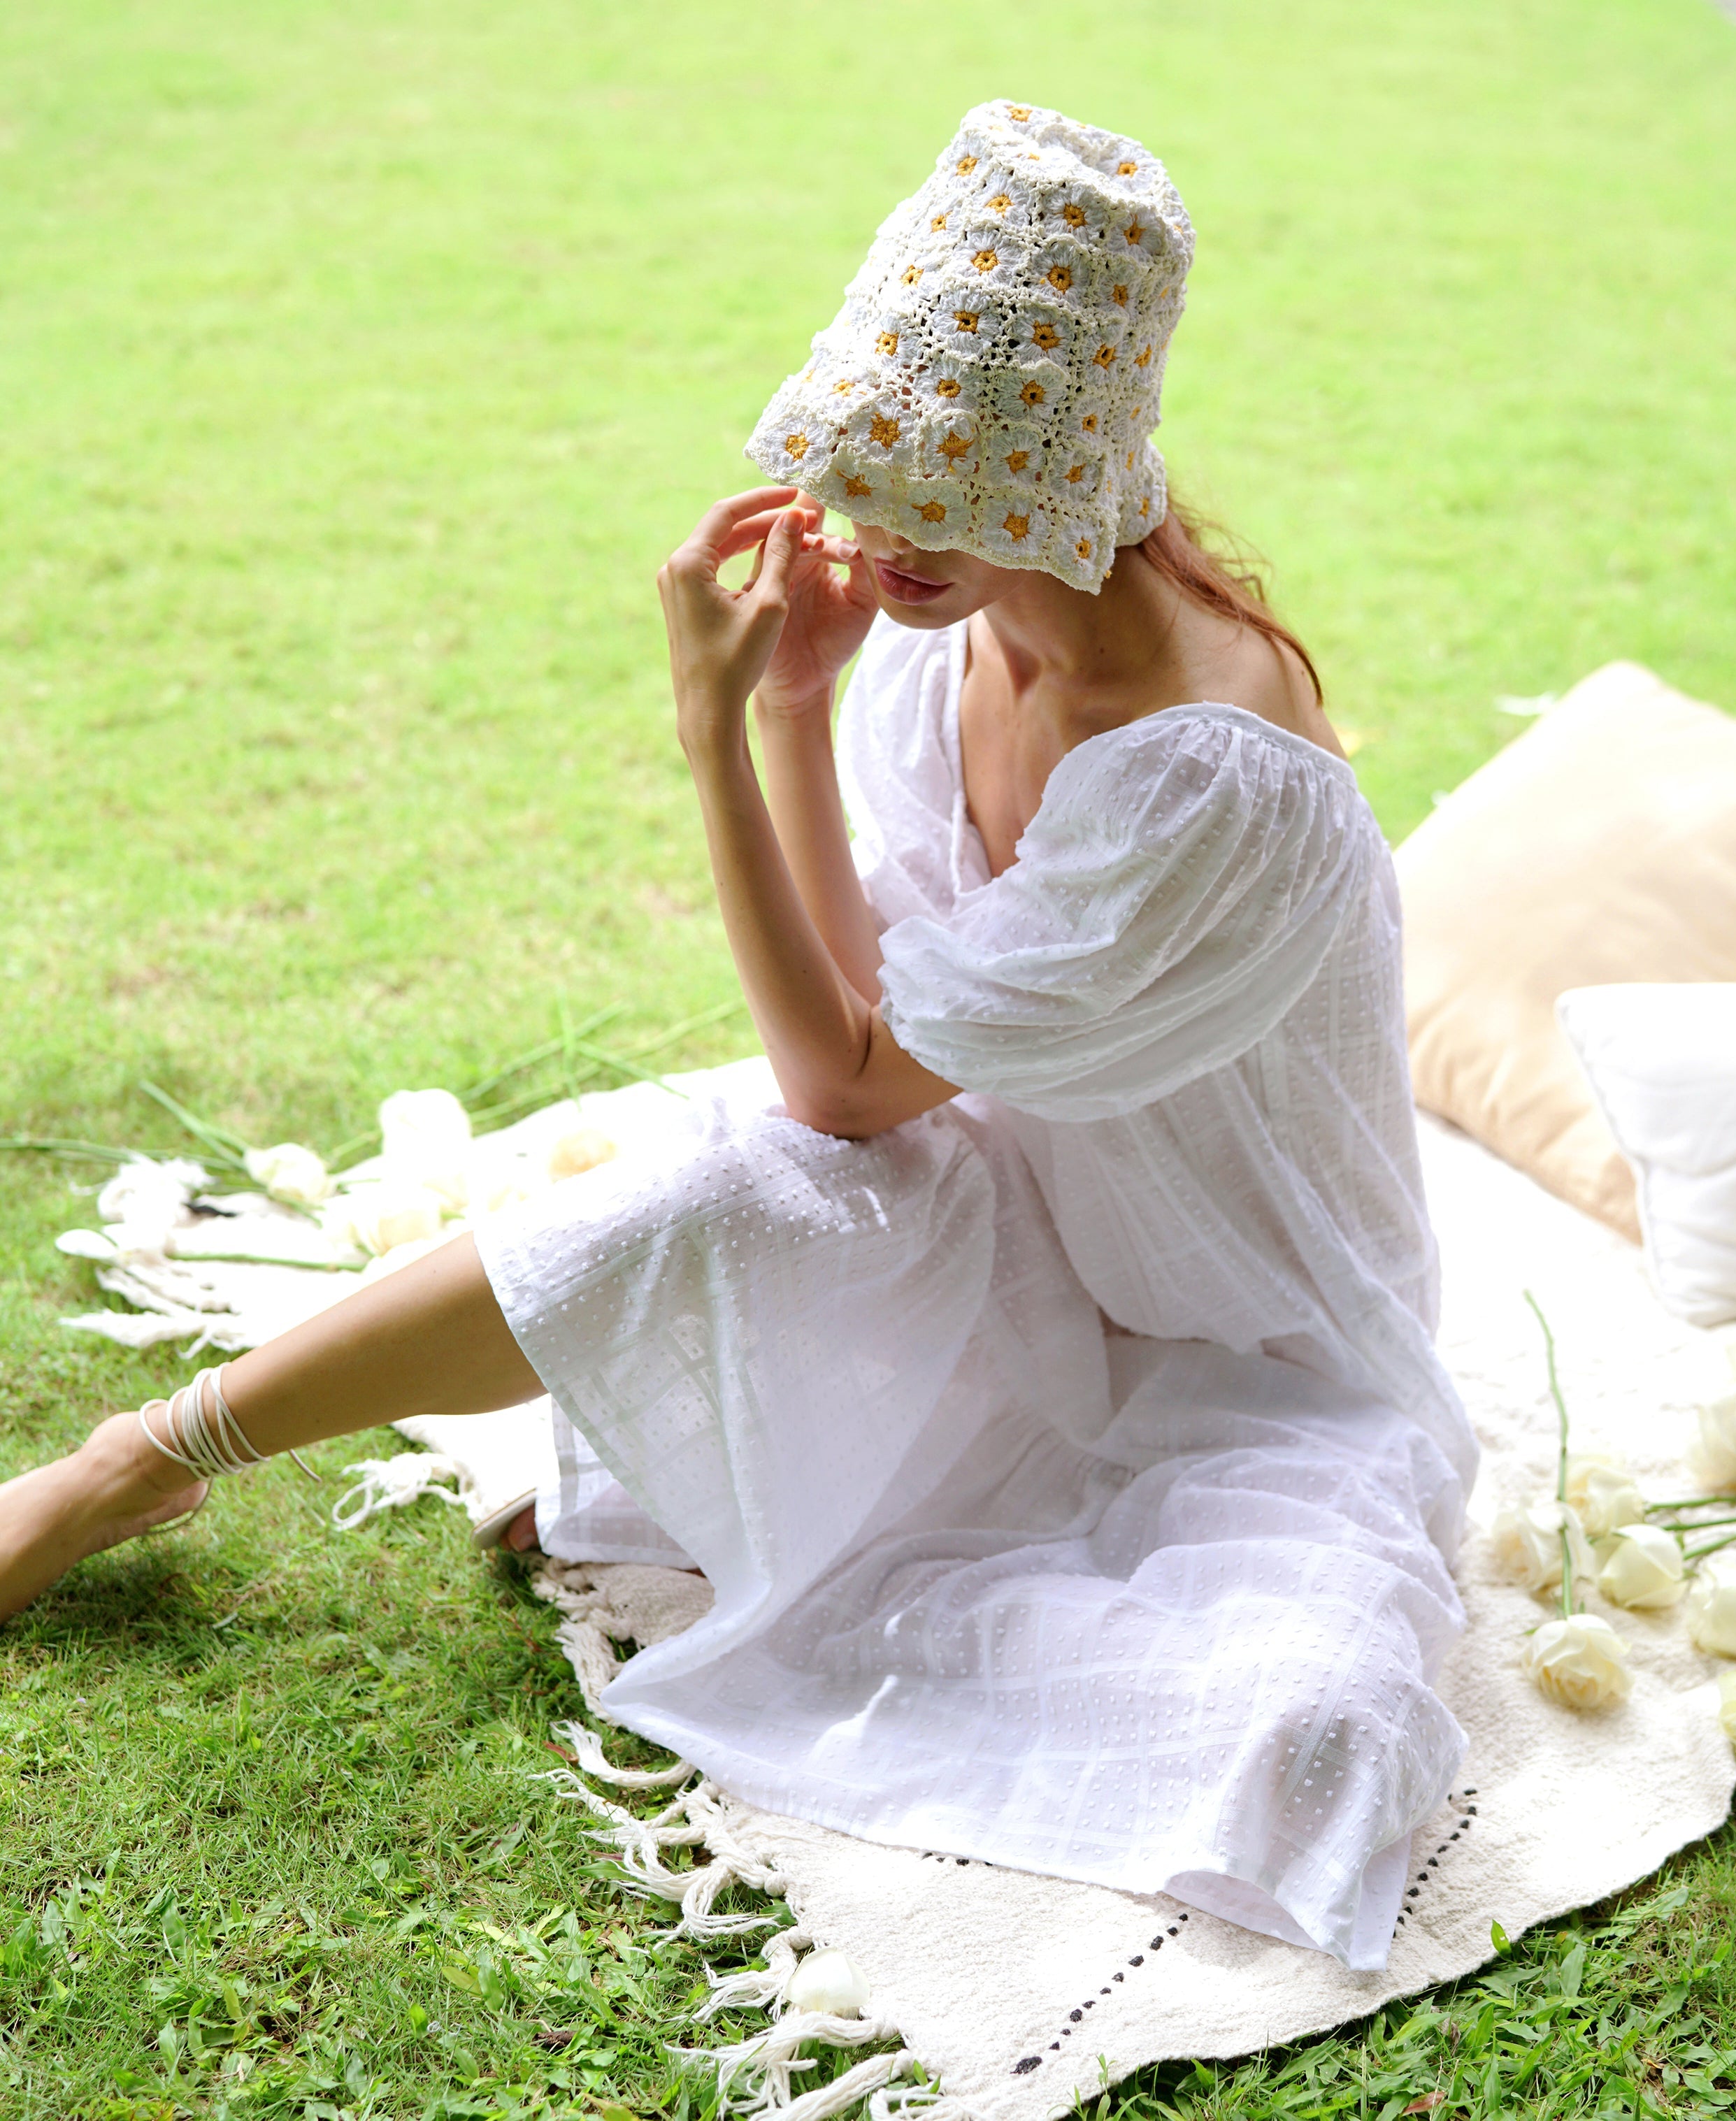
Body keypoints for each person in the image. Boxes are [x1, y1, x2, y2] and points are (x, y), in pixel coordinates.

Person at [0, 100, 1475, 1971]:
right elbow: (858, 1053)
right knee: (685, 1197)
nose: (877, 526)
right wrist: (800, 706)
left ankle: (780, 1471)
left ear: (1066, 474)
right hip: (1002, 1201)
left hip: (1236, 1337)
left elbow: (843, 1080)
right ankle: (133, 1461)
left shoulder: (1197, 770)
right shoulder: (956, 630)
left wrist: (718, 727)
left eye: (940, 485)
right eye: (864, 467)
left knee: (1294, 1736)